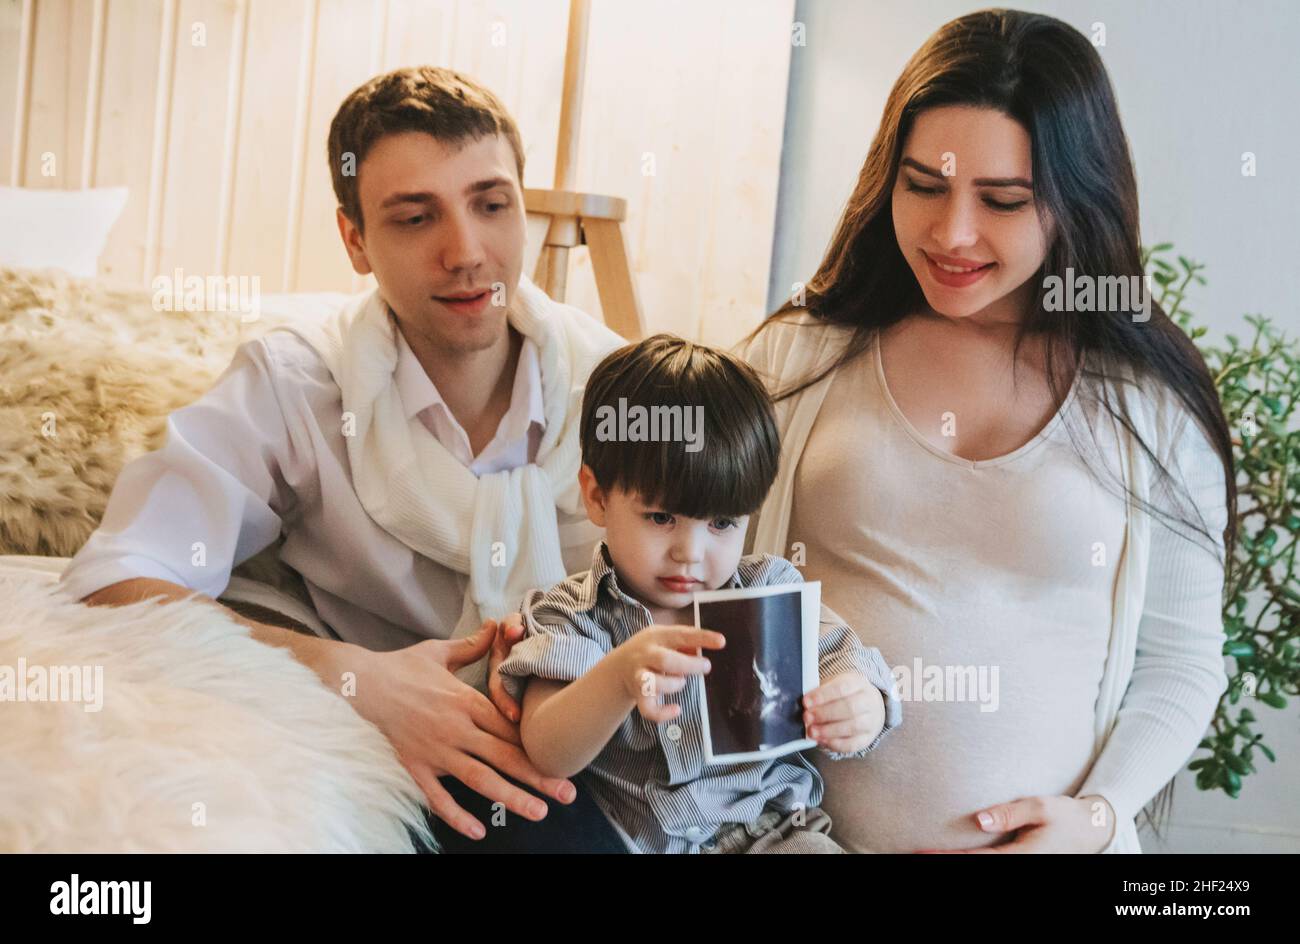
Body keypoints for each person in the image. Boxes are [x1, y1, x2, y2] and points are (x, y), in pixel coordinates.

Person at [59, 66, 629, 849]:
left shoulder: (619, 387)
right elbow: (111, 581)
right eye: (415, 217)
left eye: (491, 205)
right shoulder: (294, 382)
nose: (466, 252)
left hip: (605, 749)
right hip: (400, 753)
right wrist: (357, 680)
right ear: (355, 241)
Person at [736, 9, 1234, 853]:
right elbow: (681, 577)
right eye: (924, 185)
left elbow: (1182, 665)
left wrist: (1097, 818)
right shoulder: (795, 360)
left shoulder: (1148, 404)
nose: (951, 233)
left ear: (1076, 200)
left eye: (1002, 200)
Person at [493, 336, 903, 853]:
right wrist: (619, 676)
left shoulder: (766, 593)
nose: (690, 552)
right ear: (597, 497)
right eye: (661, 518)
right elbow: (548, 749)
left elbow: (845, 660)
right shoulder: (573, 617)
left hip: (773, 835)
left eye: (723, 523)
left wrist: (861, 704)